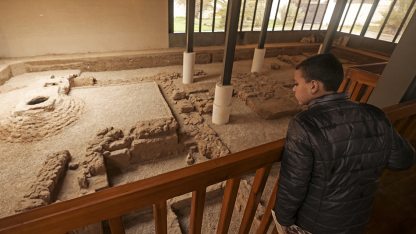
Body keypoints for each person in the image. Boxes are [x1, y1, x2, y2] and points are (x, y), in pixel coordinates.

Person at [273, 53, 415, 234]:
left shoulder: (305, 124)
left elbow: (294, 183)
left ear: (314, 86)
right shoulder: (374, 114)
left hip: (317, 223)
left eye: (297, 83)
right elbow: (403, 160)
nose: (294, 89)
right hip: (358, 218)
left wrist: (283, 219)